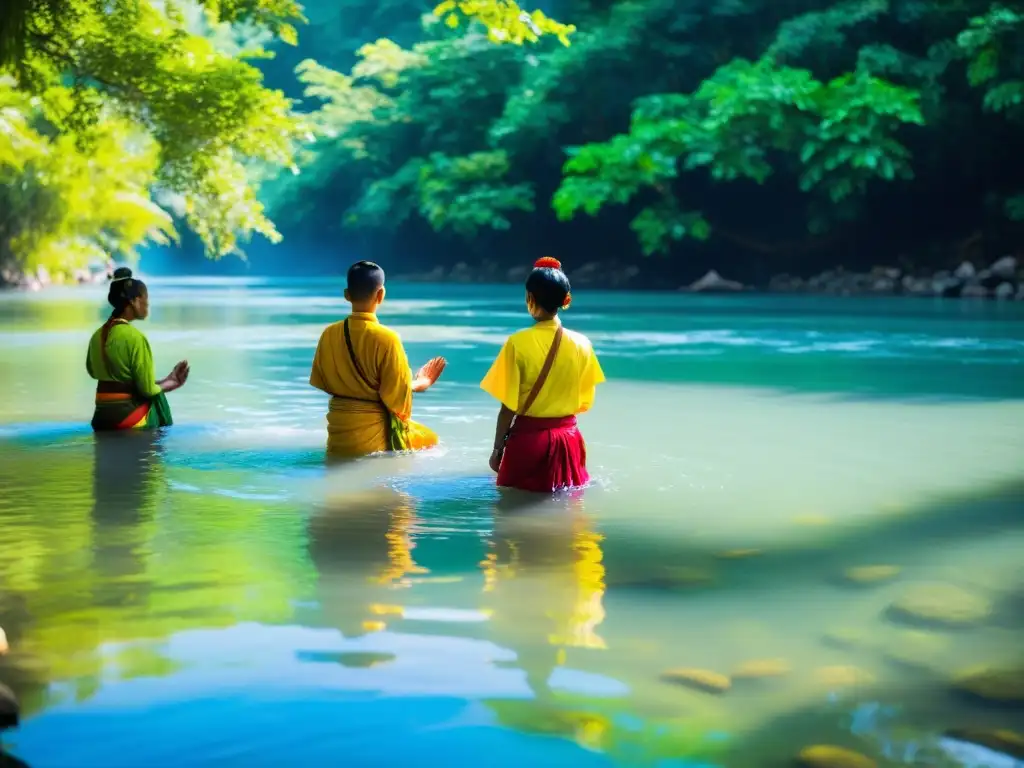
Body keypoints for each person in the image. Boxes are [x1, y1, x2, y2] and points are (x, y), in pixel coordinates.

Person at [480, 257, 605, 492]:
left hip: (528, 444)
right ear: (565, 300)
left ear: (530, 298)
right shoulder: (583, 343)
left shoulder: (517, 343)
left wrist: (497, 449)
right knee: (570, 506)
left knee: (511, 516)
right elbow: (585, 401)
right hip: (569, 442)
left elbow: (508, 407)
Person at [310, 260, 446, 457]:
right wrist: (422, 383)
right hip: (373, 440)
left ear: (347, 295)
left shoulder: (329, 333)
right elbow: (396, 398)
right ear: (381, 294)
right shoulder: (387, 338)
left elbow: (321, 381)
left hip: (337, 433)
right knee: (432, 441)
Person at [86, 268, 189, 431]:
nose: (148, 303)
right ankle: (157, 450)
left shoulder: (97, 335)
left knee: (154, 391)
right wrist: (170, 383)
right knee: (157, 398)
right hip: (127, 421)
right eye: (145, 298)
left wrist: (163, 381)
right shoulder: (136, 338)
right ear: (134, 301)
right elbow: (147, 390)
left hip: (101, 419)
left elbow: (94, 373)